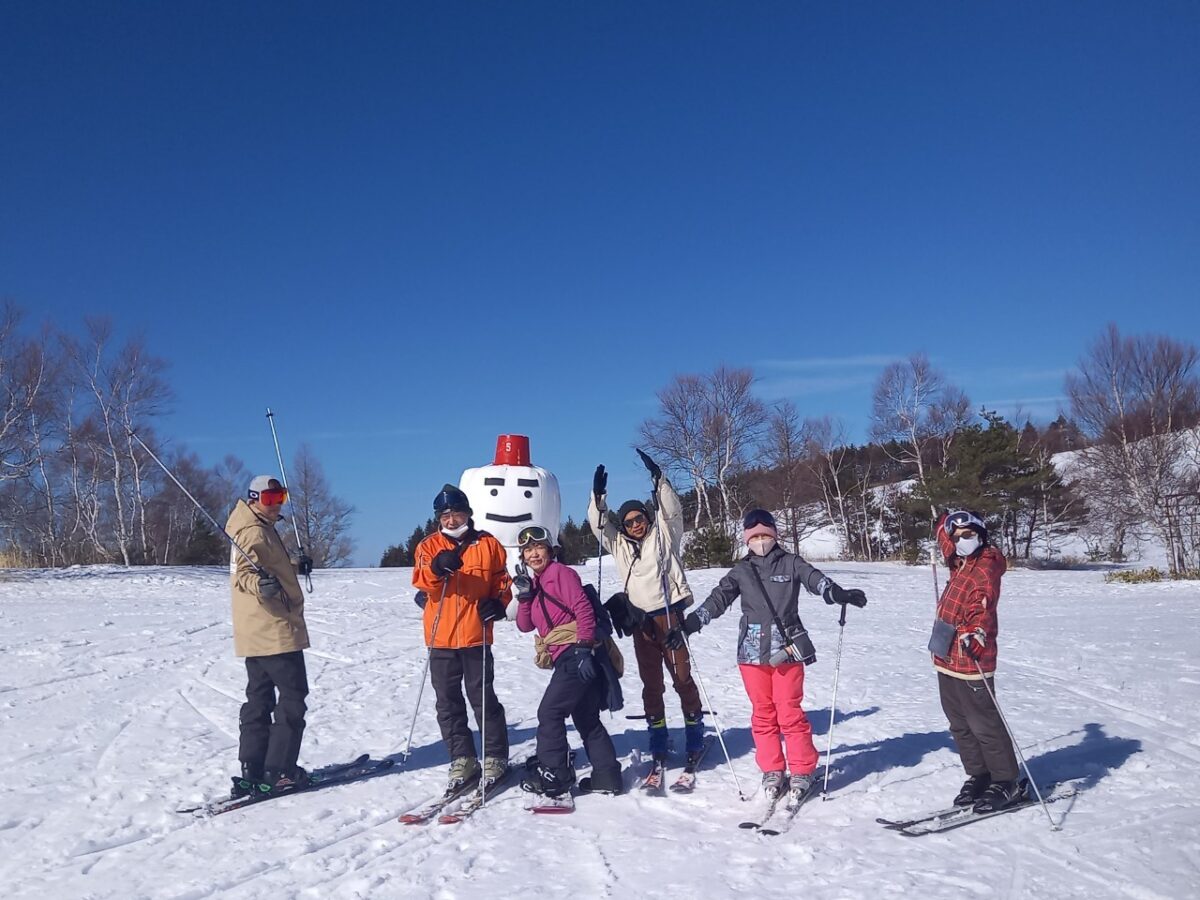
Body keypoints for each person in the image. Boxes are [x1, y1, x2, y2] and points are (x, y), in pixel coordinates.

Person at [666, 509, 867, 802]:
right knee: (763, 714)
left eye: (765, 535)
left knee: (790, 713)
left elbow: (816, 580)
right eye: (755, 536)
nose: (760, 541)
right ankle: (772, 768)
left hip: (788, 651)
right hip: (750, 654)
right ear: (747, 539)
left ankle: (801, 769)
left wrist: (837, 593)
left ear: (774, 535)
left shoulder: (790, 562)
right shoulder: (741, 571)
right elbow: (717, 600)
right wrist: (691, 624)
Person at [588, 450, 704, 766]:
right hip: (640, 622)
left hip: (669, 615)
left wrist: (659, 480)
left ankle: (695, 733)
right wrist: (598, 497)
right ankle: (658, 737)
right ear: (623, 527)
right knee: (651, 683)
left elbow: (672, 511)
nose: (635, 525)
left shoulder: (665, 535)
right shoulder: (619, 545)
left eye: (639, 518)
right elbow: (599, 526)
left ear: (647, 518)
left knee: (681, 677)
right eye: (628, 522)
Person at [412, 484, 512, 796]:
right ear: (438, 518)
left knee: (483, 698)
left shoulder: (488, 544)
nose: (452, 520)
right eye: (446, 515)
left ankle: (495, 756)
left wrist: (498, 602)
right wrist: (438, 567)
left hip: (475, 635)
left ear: (468, 513)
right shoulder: (428, 546)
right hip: (440, 637)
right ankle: (462, 758)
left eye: (457, 513)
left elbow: (502, 580)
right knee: (447, 701)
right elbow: (421, 578)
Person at [512, 525, 623, 797]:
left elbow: (583, 608)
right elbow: (525, 626)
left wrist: (584, 648)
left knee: (549, 713)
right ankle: (606, 776)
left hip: (577, 653)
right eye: (527, 550)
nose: (534, 553)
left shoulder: (561, 574)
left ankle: (555, 776)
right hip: (569, 655)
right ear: (522, 557)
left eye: (538, 547)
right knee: (585, 716)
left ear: (551, 550)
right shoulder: (536, 584)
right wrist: (525, 598)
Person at [226, 475, 314, 796]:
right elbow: (243, 575)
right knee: (292, 698)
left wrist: (293, 566)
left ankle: (254, 766)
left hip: (256, 632)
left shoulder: (259, 527)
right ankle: (280, 770)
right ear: (254, 499)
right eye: (269, 498)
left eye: (281, 497)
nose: (276, 504)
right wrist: (260, 587)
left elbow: (267, 566)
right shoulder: (251, 531)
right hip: (274, 629)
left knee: (259, 698)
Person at [929, 509, 1020, 813]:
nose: (962, 541)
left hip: (970, 657)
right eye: (957, 537)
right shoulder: (959, 559)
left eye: (969, 535)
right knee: (959, 724)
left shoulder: (986, 565)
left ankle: (1007, 781)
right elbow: (945, 539)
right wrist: (942, 522)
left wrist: (975, 632)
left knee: (983, 723)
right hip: (945, 654)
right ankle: (980, 774)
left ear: (981, 535)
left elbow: (983, 601)